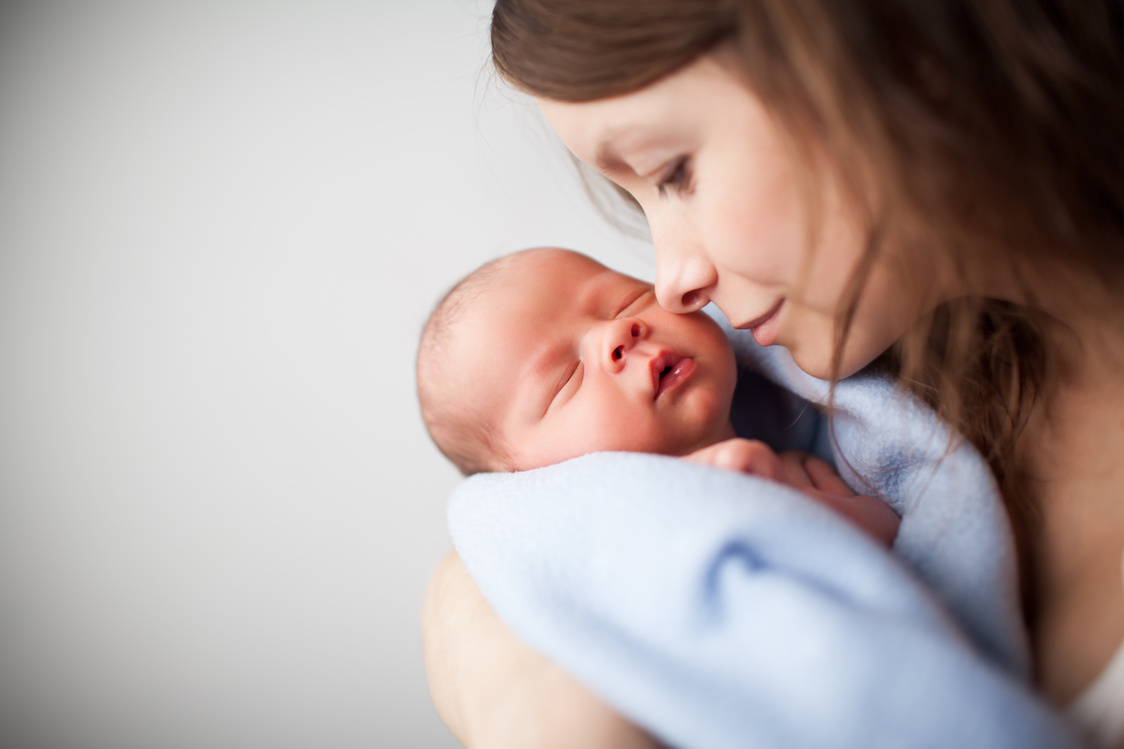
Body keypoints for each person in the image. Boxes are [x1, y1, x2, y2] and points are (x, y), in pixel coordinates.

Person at [424, 1, 1124, 747]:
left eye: (674, 171)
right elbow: (498, 549)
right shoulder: (899, 381)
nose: (671, 283)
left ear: (897, 46)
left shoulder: (857, 429)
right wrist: (517, 688)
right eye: (644, 198)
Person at [416, 246, 900, 544]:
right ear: (534, 482)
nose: (619, 332)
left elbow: (888, 531)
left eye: (625, 300)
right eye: (566, 378)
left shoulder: (793, 468)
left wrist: (791, 504)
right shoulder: (608, 545)